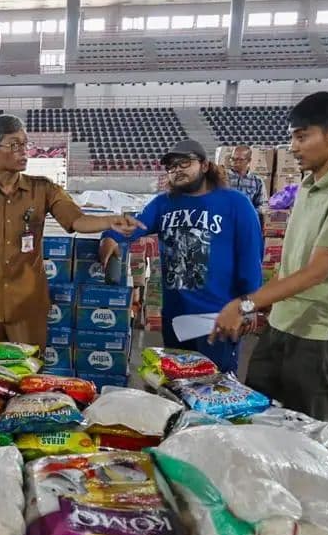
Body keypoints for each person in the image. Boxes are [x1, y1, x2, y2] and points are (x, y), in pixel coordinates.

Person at [212, 91, 328, 419]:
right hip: (280, 325)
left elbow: (316, 272)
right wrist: (258, 309)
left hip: (314, 334)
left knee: (300, 431)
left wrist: (244, 304)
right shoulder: (309, 186)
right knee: (256, 418)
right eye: (292, 138)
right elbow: (290, 265)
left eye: (302, 137)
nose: (293, 147)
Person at [0, 114, 143, 351]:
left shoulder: (43, 189)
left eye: (25, 144)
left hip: (28, 308)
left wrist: (110, 221)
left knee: (29, 376)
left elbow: (77, 220)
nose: (24, 151)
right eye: (14, 145)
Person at [99, 139, 263, 374]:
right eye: (171, 167)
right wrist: (110, 237)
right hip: (176, 316)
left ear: (205, 166)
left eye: (184, 163)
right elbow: (133, 226)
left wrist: (248, 307)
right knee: (177, 384)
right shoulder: (163, 203)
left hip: (218, 317)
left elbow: (250, 259)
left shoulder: (236, 203)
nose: (176, 170)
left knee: (215, 390)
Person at [227, 145, 266, 211]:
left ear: (249, 160)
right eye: (233, 159)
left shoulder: (257, 181)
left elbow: (262, 204)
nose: (235, 163)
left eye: (240, 160)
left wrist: (249, 212)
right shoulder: (223, 178)